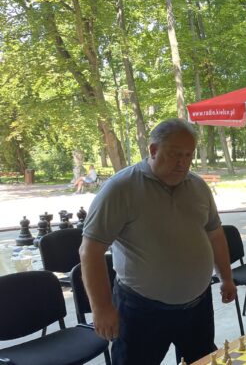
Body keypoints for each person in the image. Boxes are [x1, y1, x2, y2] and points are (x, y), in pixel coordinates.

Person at [79, 118, 237, 364]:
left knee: (203, 360)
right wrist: (101, 308)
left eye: (188, 154)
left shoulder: (198, 186)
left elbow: (215, 234)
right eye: (175, 154)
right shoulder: (120, 188)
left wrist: (226, 277)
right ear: (153, 150)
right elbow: (90, 251)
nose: (183, 162)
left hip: (197, 306)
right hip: (141, 310)